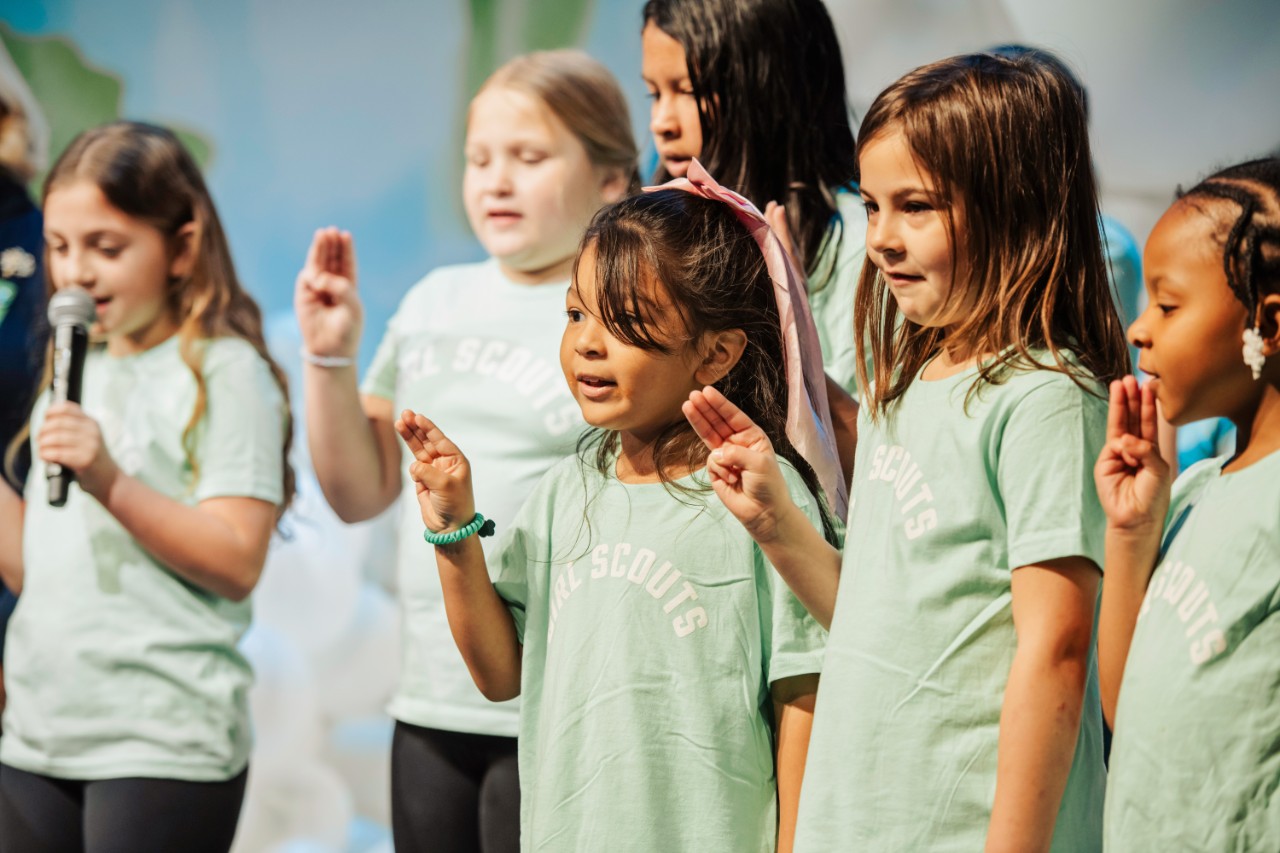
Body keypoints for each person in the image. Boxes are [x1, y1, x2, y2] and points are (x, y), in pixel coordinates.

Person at [684, 51, 1130, 851]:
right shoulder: (916, 381)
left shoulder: (1046, 397)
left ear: (1015, 205)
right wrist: (778, 522)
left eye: (916, 206)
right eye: (873, 206)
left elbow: (1057, 651)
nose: (882, 239)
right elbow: (873, 625)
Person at [394, 176, 839, 852]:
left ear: (716, 352)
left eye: (624, 320)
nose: (588, 345)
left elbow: (803, 696)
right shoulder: (564, 492)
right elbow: (499, 673)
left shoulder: (761, 499)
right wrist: (454, 530)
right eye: (576, 315)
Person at [294, 50, 637, 853]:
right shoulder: (434, 301)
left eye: (529, 157)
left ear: (614, 179)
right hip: (430, 703)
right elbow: (358, 491)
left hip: (562, 703)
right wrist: (330, 357)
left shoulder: (625, 314)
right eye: (479, 159)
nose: (497, 181)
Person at [0, 121, 294, 853]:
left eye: (106, 247)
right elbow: (37, 563)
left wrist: (109, 479)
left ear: (182, 246)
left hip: (161, 736)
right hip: (41, 730)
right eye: (60, 248)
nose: (77, 274)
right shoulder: (77, 367)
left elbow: (235, 561)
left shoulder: (224, 371)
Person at [1096, 157, 1280, 850]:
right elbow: (1125, 704)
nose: (1139, 328)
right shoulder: (1199, 490)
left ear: (1267, 321)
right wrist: (1132, 528)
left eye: (1167, 305)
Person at [640, 0, 867, 478]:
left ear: (769, 90)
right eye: (654, 94)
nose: (662, 121)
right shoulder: (646, 228)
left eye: (689, 91)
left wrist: (790, 329)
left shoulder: (857, 244)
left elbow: (877, 459)